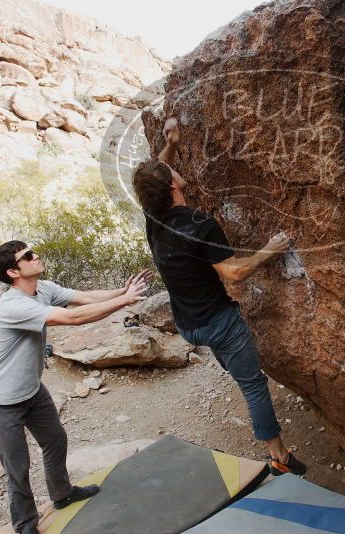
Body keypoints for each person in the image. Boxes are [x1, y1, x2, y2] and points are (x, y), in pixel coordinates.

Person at [131, 117, 307, 477]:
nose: (173, 167)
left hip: (189, 324)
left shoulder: (152, 216)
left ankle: (231, 363)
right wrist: (271, 248)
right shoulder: (199, 224)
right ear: (172, 184)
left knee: (232, 360)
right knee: (254, 385)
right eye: (170, 168)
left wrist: (172, 144)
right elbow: (234, 273)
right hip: (218, 322)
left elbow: (157, 177)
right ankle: (281, 457)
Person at [0, 241, 153, 534]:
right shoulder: (13, 305)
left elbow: (83, 298)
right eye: (28, 256)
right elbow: (73, 318)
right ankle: (25, 525)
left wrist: (122, 292)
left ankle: (62, 494)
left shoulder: (42, 288)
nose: (36, 257)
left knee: (56, 440)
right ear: (13, 271)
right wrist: (124, 302)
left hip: (32, 390)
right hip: (1, 398)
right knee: (17, 468)